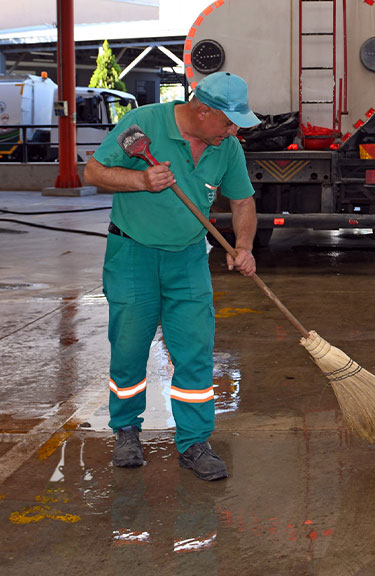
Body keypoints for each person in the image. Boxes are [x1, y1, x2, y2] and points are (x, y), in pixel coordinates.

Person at [83, 71, 261, 481]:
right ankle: (126, 429)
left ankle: (195, 442)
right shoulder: (143, 125)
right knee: (129, 350)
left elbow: (242, 201)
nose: (234, 131)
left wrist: (245, 245)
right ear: (203, 111)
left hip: (188, 259)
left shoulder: (226, 147)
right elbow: (92, 173)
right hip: (133, 254)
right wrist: (141, 180)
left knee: (195, 351)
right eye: (229, 122)